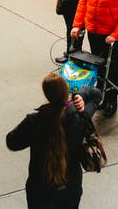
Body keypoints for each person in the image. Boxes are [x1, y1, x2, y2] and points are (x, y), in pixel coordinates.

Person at [6, 73, 103, 209]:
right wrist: (80, 95)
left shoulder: (34, 121)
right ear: (66, 91)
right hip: (71, 186)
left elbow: (11, 142)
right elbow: (97, 94)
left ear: (47, 94)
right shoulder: (79, 115)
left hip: (41, 189)